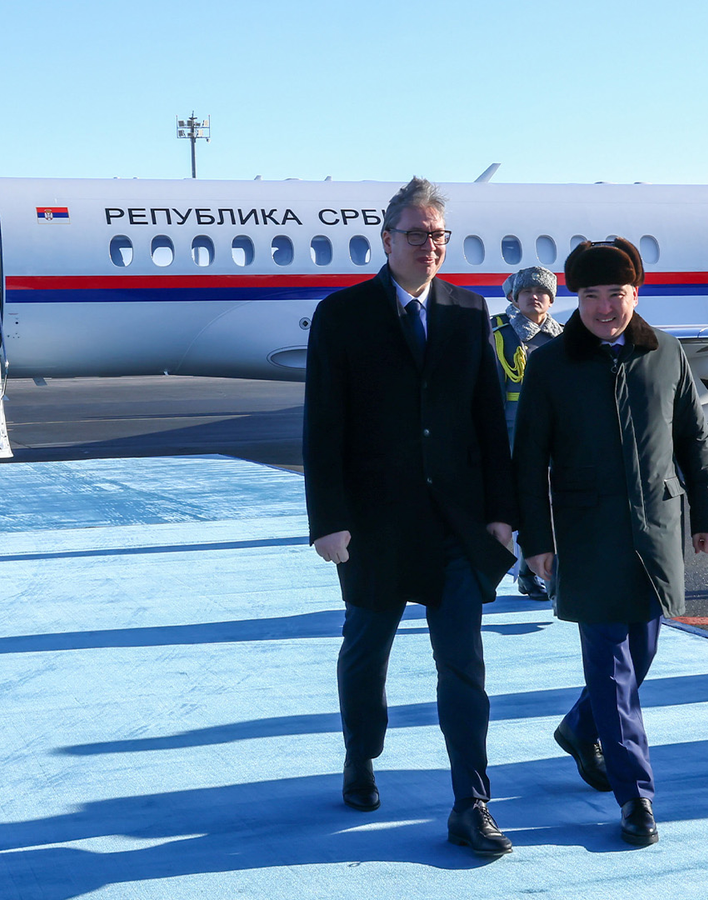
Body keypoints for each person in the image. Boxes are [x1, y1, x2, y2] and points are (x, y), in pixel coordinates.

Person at [302, 177, 519, 855]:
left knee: (463, 665)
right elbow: (323, 428)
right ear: (387, 240)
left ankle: (470, 802)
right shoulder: (342, 315)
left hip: (454, 525)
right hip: (374, 525)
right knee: (366, 652)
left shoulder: (466, 312)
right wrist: (328, 521)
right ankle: (360, 754)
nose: (429, 247)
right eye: (417, 234)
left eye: (439, 236)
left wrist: (502, 514)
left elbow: (488, 422)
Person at [513, 237, 708, 846]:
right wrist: (536, 539)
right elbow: (528, 460)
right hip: (587, 534)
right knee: (611, 669)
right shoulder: (551, 364)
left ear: (636, 293)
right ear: (576, 298)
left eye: (617, 294)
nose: (605, 308)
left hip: (656, 530)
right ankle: (637, 796)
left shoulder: (667, 354)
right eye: (591, 296)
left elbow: (692, 439)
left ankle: (582, 729)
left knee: (642, 657)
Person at [491, 266, 563, 598]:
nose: (535, 298)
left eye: (542, 293)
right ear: (514, 298)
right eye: (527, 293)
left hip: (551, 434)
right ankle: (508, 570)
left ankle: (533, 572)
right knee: (514, 505)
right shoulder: (499, 334)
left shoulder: (562, 337)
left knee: (546, 505)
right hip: (509, 433)